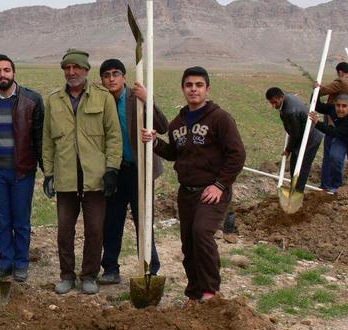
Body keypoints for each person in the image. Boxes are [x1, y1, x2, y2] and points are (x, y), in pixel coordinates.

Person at [142, 67, 245, 305]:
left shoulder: (220, 118)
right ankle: (194, 292)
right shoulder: (178, 122)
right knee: (188, 243)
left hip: (211, 190)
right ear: (183, 89)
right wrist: (155, 141)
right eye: (189, 85)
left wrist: (219, 185)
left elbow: (237, 155)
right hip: (186, 192)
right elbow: (173, 153)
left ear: (207, 89)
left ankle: (210, 291)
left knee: (201, 233)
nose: (194, 89)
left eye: (199, 85)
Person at [43, 49, 122, 295]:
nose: (71, 72)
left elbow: (114, 136)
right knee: (64, 230)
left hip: (95, 177)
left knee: (95, 229)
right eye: (67, 68)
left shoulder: (103, 97)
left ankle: (89, 275)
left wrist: (112, 169)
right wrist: (48, 173)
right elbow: (47, 140)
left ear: (86, 70)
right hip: (65, 177)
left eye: (76, 67)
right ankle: (67, 275)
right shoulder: (54, 99)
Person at [0, 54, 44, 282]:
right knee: (3, 220)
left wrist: (46, 169)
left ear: (14, 73)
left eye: (6, 70)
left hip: (22, 171)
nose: (2, 75)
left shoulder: (32, 101)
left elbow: (39, 138)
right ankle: (6, 262)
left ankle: (21, 263)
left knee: (21, 220)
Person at [98, 58, 168, 284]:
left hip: (141, 169)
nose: (111, 78)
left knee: (144, 221)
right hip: (115, 171)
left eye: (115, 73)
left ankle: (150, 268)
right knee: (112, 221)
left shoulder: (137, 97)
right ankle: (110, 268)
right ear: (101, 80)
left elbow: (163, 126)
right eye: (106, 75)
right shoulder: (100, 101)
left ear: (124, 77)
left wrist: (148, 101)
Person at [265, 87, 322, 191]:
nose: (273, 106)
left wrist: (288, 150)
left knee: (302, 165)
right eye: (271, 103)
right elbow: (295, 132)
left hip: (311, 137)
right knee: (295, 161)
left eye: (275, 102)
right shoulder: (288, 98)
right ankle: (294, 187)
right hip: (302, 134)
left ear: (281, 97)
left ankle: (297, 191)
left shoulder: (289, 111)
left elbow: (295, 134)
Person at [308, 94, 348, 193]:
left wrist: (317, 123)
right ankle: (337, 185)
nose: (340, 109)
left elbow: (334, 132)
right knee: (334, 156)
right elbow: (317, 106)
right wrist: (317, 91)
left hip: (346, 137)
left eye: (344, 106)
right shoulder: (332, 109)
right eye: (338, 105)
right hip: (342, 139)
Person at [315, 62, 348, 176]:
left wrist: (316, 89)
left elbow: (323, 91)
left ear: (340, 72)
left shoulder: (341, 81)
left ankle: (328, 183)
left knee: (331, 153)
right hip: (343, 124)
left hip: (337, 122)